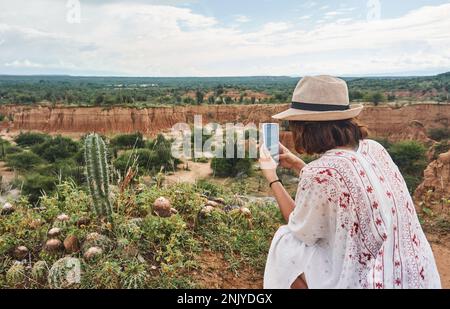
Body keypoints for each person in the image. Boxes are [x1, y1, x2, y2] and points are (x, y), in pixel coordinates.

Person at [259, 75, 441, 289]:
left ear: (305, 126)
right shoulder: (375, 149)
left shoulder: (321, 171)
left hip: (368, 282)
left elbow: (301, 228)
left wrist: (272, 177)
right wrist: (301, 166)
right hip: (418, 276)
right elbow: (345, 184)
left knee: (285, 244)